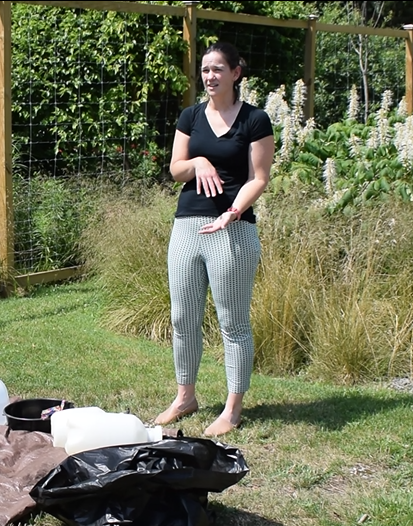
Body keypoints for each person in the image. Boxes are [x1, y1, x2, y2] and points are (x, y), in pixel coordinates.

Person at [154, 41, 275, 437]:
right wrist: (199, 161)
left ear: (235, 73)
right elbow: (176, 170)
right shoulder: (190, 116)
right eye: (205, 70)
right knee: (182, 316)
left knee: (233, 322)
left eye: (218, 69)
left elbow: (259, 178)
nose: (210, 77)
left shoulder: (255, 120)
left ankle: (232, 407)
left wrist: (232, 213)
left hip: (233, 228)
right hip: (188, 225)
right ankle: (185, 395)